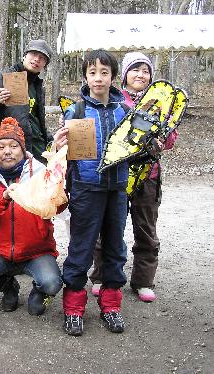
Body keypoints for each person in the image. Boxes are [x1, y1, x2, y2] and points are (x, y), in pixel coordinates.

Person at [89, 52, 177, 303]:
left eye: (145, 71)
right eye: (135, 70)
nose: (140, 75)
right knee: (107, 225)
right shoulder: (114, 100)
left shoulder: (160, 102)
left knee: (146, 228)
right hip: (116, 172)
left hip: (148, 174)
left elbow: (170, 136)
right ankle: (100, 275)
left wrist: (163, 139)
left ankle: (143, 280)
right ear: (125, 74)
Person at [54, 50, 128, 336]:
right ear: (85, 76)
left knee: (114, 247)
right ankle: (73, 308)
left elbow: (134, 150)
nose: (98, 78)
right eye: (93, 72)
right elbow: (61, 154)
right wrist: (57, 143)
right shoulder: (77, 111)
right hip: (86, 188)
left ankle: (111, 305)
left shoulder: (124, 111)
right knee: (82, 247)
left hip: (118, 188)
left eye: (104, 72)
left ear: (112, 76)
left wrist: (150, 147)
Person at [0, 117, 64, 315]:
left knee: (52, 283)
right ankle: (8, 287)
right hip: (2, 251)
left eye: (13, 146)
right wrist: (3, 196)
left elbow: (60, 206)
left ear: (23, 149)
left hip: (38, 251)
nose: (7, 151)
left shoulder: (41, 173)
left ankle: (40, 293)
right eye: (1, 147)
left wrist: (59, 189)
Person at [0, 39, 54, 163]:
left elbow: (37, 120)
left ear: (45, 64)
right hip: (13, 149)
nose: (36, 59)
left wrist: (49, 139)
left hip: (39, 149)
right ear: (24, 56)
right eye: (33, 54)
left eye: (42, 58)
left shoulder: (38, 86)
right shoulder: (3, 78)